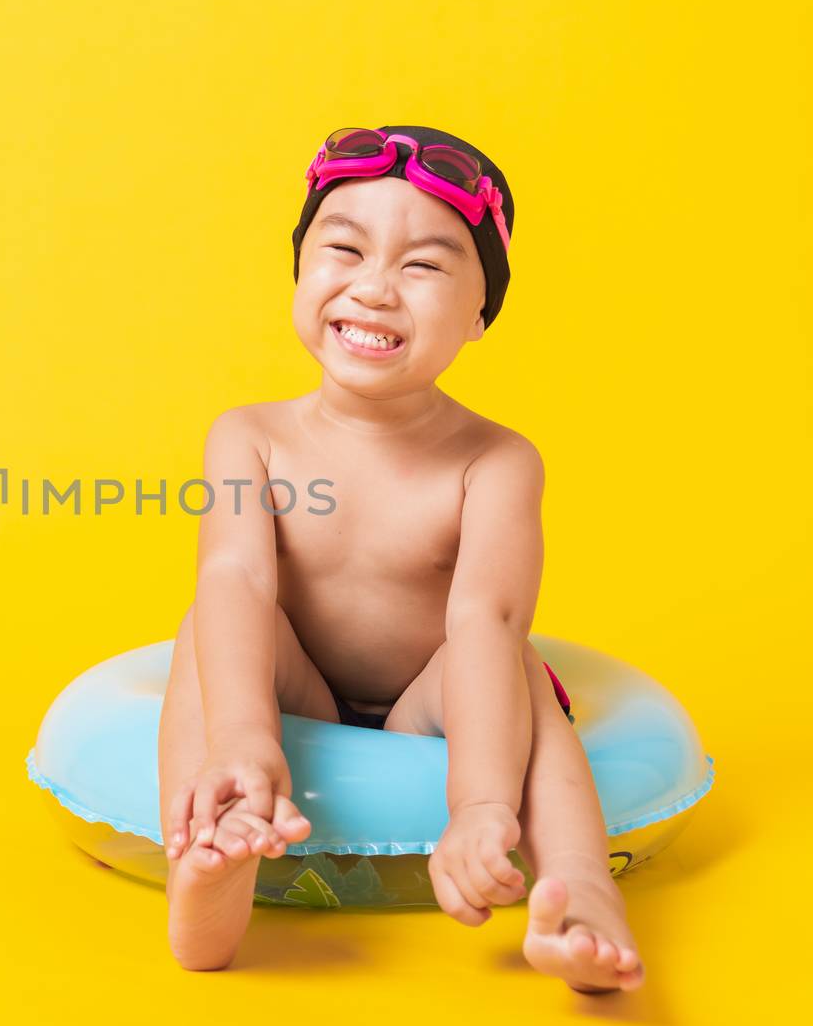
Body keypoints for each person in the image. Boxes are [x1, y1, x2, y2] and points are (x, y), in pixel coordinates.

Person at [156, 125, 643, 992]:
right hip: (297, 687)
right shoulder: (249, 436)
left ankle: (583, 895)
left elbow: (487, 618)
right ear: (302, 271)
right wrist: (244, 734)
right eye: (343, 248)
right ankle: (210, 863)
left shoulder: (495, 461)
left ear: (481, 313)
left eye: (423, 267)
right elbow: (237, 576)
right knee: (213, 619)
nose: (375, 288)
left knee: (515, 668)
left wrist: (482, 803)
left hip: (428, 700)